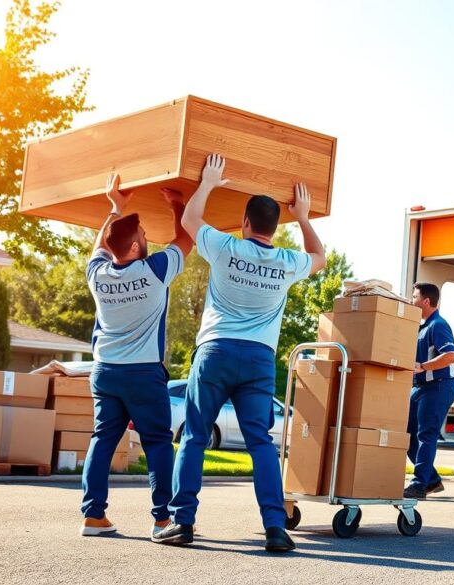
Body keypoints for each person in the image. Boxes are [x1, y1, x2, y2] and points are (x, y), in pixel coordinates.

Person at [153, 154, 326, 553]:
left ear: (245, 223)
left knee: (195, 437)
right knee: (260, 443)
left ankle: (182, 522)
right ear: (274, 229)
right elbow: (320, 256)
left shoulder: (225, 246)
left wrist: (208, 182)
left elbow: (190, 220)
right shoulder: (287, 262)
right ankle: (275, 528)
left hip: (215, 352)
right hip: (259, 359)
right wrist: (302, 217)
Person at [81, 174, 193, 536]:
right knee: (158, 442)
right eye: (143, 236)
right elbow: (186, 239)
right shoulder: (154, 270)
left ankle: (93, 516)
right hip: (143, 373)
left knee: (102, 440)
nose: (147, 238)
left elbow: (101, 244)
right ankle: (163, 520)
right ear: (133, 247)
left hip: (105, 372)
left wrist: (115, 207)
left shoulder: (97, 275)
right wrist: (177, 204)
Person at [404, 283, 454, 500]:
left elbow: (451, 356)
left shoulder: (438, 325)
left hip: (439, 387)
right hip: (420, 388)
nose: (411, 300)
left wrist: (423, 366)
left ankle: (419, 485)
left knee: (426, 435)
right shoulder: (422, 326)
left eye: (414, 297)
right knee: (406, 435)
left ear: (426, 301)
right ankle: (432, 480)